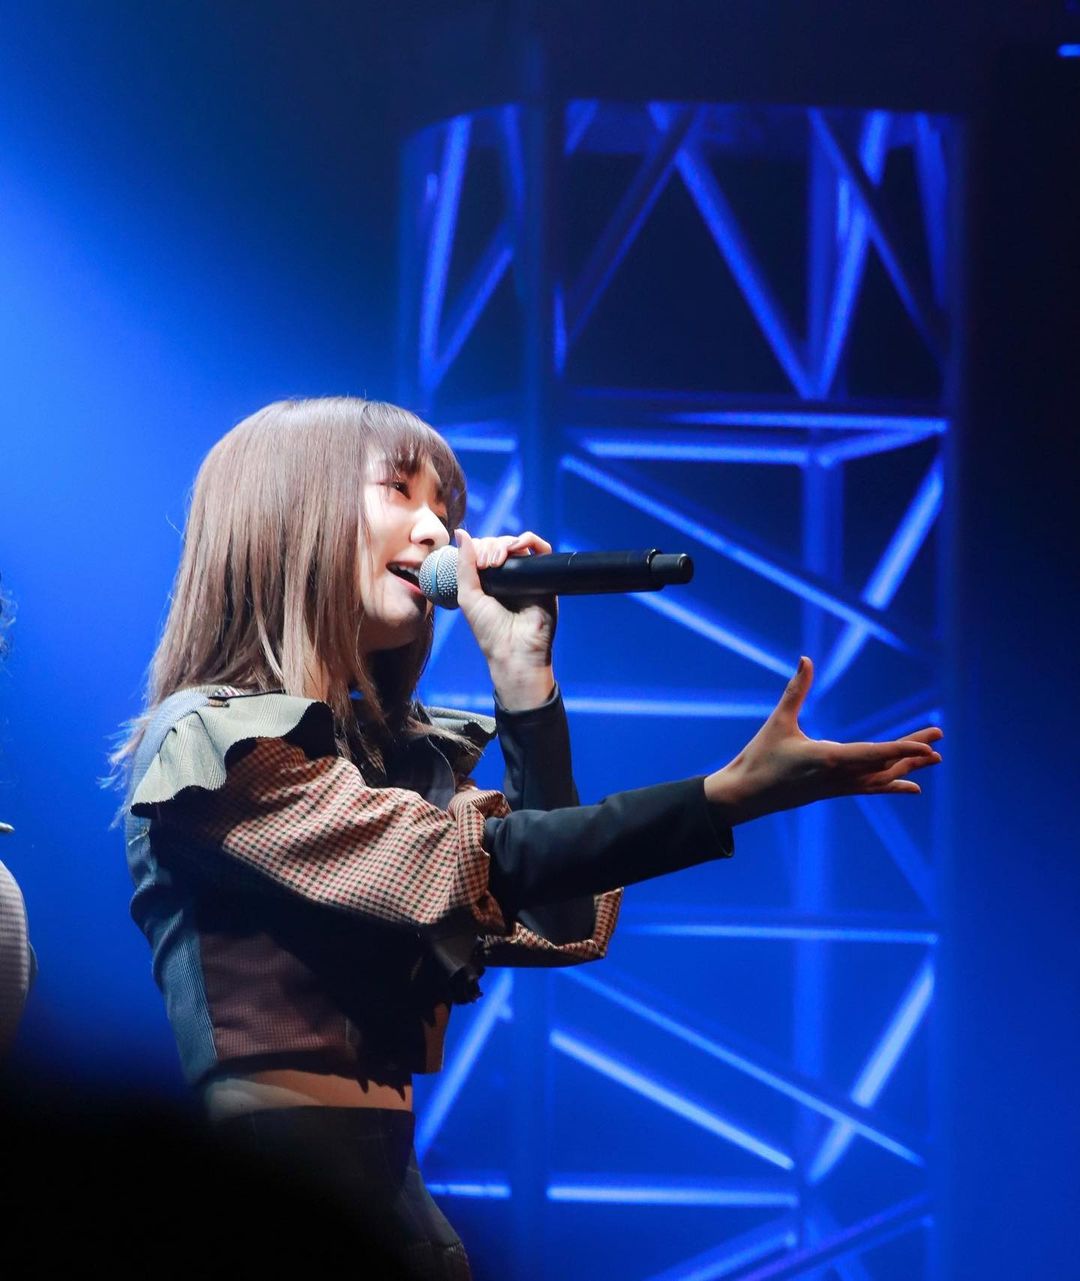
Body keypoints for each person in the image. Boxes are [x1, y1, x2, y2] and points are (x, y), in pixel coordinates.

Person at [115, 397, 942, 1280]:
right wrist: (722, 798)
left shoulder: (388, 759)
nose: (438, 529)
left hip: (393, 1195)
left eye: (446, 508)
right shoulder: (215, 748)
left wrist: (524, 683)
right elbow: (452, 863)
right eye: (400, 490)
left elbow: (558, 917)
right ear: (286, 512)